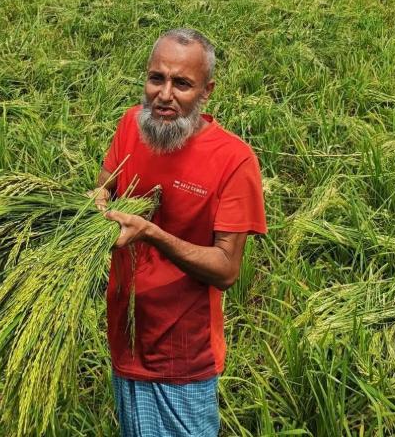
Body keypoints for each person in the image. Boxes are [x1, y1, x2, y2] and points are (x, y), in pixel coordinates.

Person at [93, 28, 267, 437]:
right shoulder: (130, 127)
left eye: (182, 84)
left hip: (183, 352)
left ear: (207, 91)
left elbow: (225, 268)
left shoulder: (234, 160)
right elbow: (106, 183)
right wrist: (98, 198)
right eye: (157, 78)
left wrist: (152, 233)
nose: (164, 94)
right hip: (126, 333)